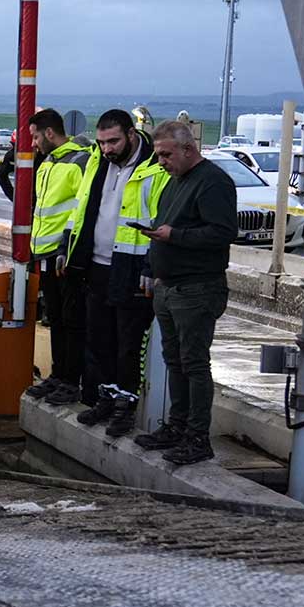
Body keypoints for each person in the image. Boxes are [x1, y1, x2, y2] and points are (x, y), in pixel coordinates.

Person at [133, 121, 236, 465]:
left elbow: (221, 233)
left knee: (193, 363)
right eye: (158, 154)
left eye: (166, 154)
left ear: (188, 149)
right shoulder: (174, 182)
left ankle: (197, 437)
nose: (161, 161)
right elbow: (164, 224)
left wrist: (174, 237)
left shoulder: (213, 182)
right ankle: (176, 427)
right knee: (174, 360)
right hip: (170, 286)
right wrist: (155, 267)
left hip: (197, 288)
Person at [66, 110, 170, 435]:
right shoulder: (98, 162)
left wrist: (152, 266)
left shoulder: (155, 169)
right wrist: (68, 249)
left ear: (131, 134)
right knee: (99, 339)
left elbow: (161, 221)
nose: (108, 148)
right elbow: (83, 208)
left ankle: (126, 404)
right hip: (96, 264)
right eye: (102, 142)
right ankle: (106, 398)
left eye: (113, 141)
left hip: (132, 267)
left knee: (128, 342)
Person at [22, 108, 94, 406]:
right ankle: (59, 374)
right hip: (45, 254)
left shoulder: (78, 162)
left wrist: (67, 247)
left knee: (71, 320)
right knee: (55, 319)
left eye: (36, 137)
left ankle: (70, 380)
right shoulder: (48, 163)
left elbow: (82, 210)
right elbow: (41, 210)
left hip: (67, 256)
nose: (34, 144)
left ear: (50, 133)